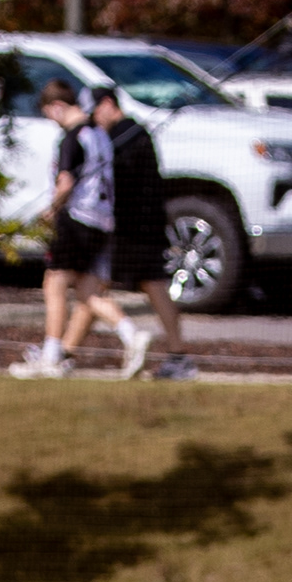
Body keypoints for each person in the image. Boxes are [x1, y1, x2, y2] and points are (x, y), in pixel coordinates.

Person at [13, 80, 143, 381]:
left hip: (77, 219)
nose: (52, 121)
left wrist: (51, 209)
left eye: (49, 114)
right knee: (87, 291)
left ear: (57, 107)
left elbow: (66, 183)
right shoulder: (99, 133)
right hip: (103, 220)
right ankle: (132, 334)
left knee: (54, 283)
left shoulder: (72, 137)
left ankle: (51, 355)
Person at [95, 82, 192, 380]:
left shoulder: (125, 135)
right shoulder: (133, 133)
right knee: (98, 286)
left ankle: (173, 353)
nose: (94, 119)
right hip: (141, 225)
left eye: (95, 111)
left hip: (134, 228)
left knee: (97, 287)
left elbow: (123, 183)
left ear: (108, 104)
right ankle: (65, 351)